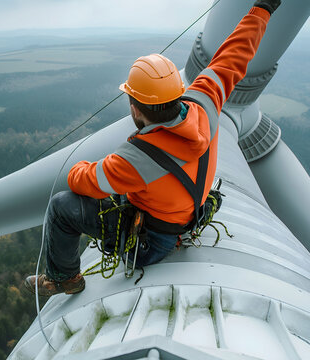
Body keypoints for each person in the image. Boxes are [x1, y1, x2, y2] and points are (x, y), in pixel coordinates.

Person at [25, 0, 281, 296]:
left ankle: (63, 279)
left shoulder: (133, 160)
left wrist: (84, 165)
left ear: (135, 108)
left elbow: (80, 182)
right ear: (178, 93)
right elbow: (234, 54)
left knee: (60, 207)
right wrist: (262, 9)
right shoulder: (206, 102)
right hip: (187, 221)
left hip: (149, 246)